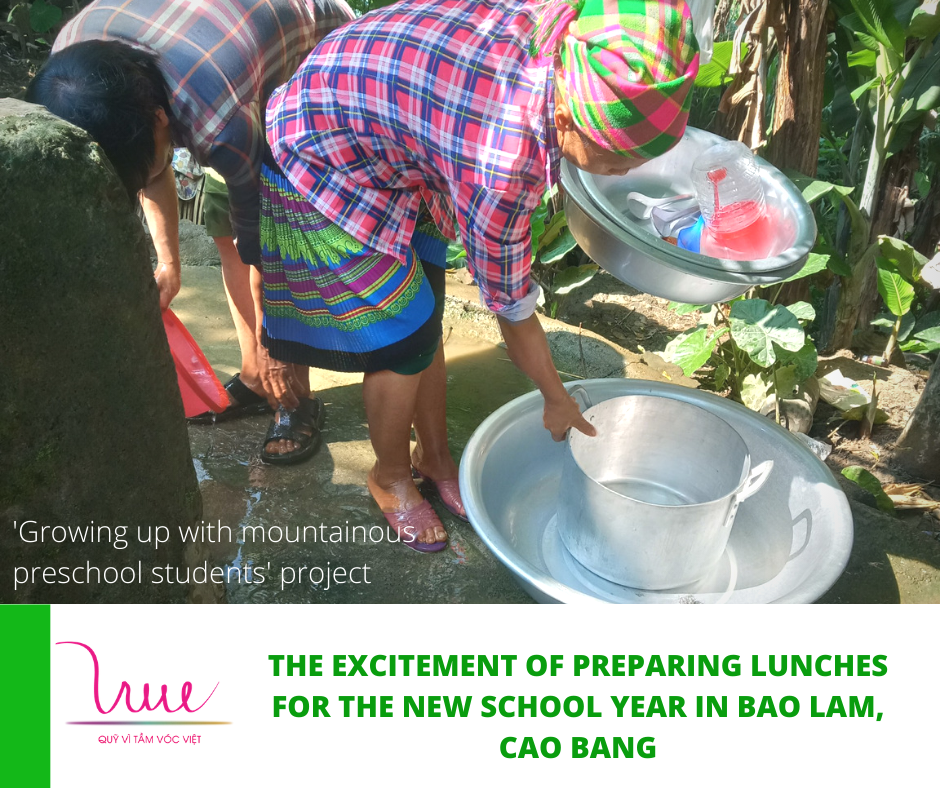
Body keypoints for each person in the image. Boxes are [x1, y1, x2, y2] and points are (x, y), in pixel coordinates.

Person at [261, 0, 701, 550]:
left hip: (396, 128)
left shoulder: (561, 36)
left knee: (426, 316)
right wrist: (555, 395)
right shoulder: (502, 162)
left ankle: (436, 456)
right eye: (616, 162)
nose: (625, 173)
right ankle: (390, 476)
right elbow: (511, 308)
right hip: (323, 151)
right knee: (401, 344)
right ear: (564, 118)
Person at [26, 0, 354, 465]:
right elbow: (148, 165)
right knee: (223, 219)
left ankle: (293, 398)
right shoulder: (73, 73)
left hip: (314, 53)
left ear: (162, 117)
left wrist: (274, 344)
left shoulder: (218, 121)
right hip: (216, 50)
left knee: (273, 231)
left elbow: (265, 247)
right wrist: (169, 265)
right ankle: (256, 378)